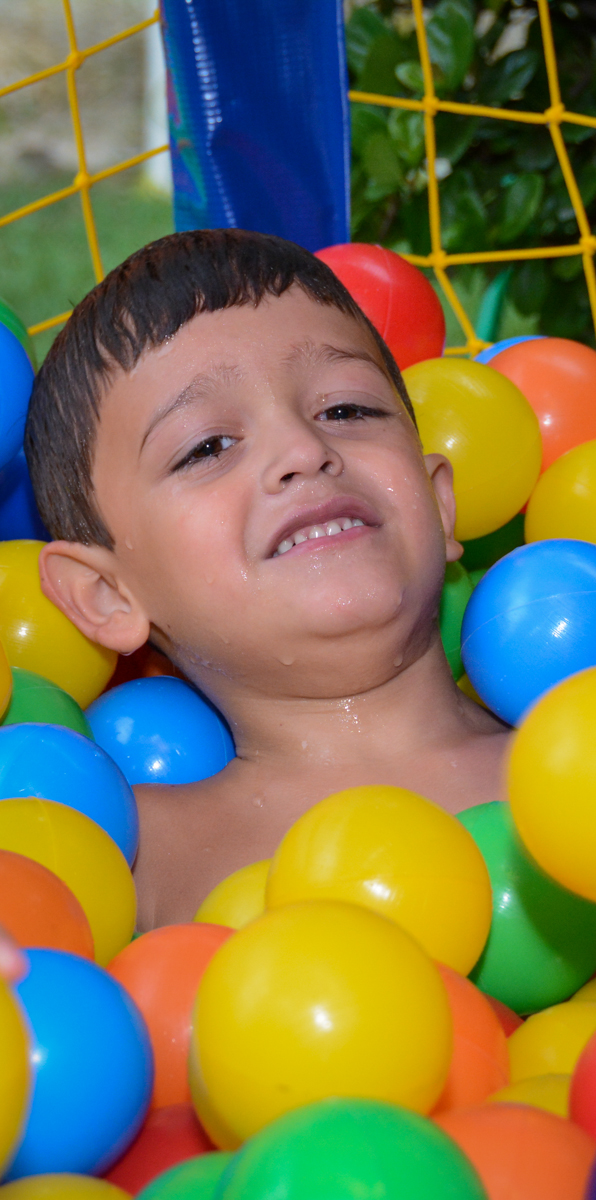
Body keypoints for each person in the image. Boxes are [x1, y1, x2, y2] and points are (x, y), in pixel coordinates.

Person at [25, 230, 510, 930]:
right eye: (208, 447)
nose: (305, 451)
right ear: (108, 595)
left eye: (346, 409)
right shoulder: (125, 859)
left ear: (438, 503)